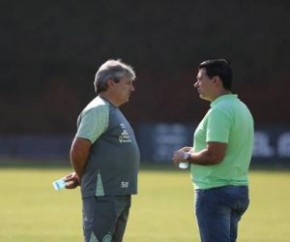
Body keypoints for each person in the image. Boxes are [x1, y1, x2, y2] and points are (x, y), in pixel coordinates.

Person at [173, 59, 254, 242]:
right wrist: (195, 150)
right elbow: (227, 149)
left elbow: (214, 155)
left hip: (215, 191)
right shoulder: (240, 107)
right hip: (238, 190)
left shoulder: (220, 110)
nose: (196, 84)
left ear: (216, 80)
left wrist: (185, 156)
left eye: (200, 79)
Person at [63, 59, 140, 242]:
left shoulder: (112, 111)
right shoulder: (98, 109)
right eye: (128, 82)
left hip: (116, 193)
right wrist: (82, 176)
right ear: (111, 83)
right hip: (103, 193)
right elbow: (79, 148)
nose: (132, 88)